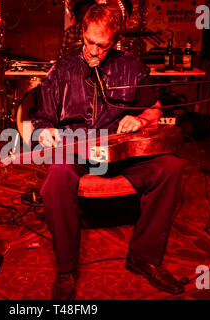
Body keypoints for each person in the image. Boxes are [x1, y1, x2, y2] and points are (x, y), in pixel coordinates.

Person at [30, 4, 186, 300]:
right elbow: (42, 119)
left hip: (120, 151)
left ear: (115, 42)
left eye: (101, 46)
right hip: (77, 151)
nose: (93, 51)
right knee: (56, 178)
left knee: (171, 167)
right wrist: (46, 130)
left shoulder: (131, 66)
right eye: (88, 42)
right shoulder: (62, 69)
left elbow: (154, 109)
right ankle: (66, 269)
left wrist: (139, 119)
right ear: (83, 34)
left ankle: (143, 256)